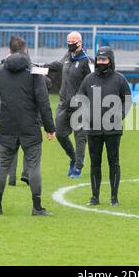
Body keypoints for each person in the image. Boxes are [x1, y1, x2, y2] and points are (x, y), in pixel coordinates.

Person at [0, 46, 56, 216]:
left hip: (7, 127)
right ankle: (37, 207)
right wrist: (50, 128)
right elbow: (43, 103)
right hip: (30, 127)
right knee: (33, 167)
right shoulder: (35, 73)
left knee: (2, 166)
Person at [76, 46, 131, 206]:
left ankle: (114, 198)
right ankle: (95, 197)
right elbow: (81, 98)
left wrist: (119, 115)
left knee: (114, 162)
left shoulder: (120, 79)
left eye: (104, 60)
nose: (101, 62)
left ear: (110, 61)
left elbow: (127, 100)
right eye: (99, 59)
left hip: (113, 129)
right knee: (95, 163)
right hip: (93, 129)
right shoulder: (88, 79)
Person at [0, 37, 53, 187]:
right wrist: (50, 127)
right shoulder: (31, 66)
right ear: (25, 49)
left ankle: (11, 178)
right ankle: (27, 176)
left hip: (8, 115)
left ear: (9, 50)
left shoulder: (2, 65)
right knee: (32, 152)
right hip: (29, 115)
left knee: (9, 149)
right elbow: (46, 86)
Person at [45, 31, 92, 178]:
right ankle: (73, 157)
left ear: (80, 42)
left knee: (80, 137)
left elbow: (92, 83)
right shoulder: (66, 56)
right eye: (68, 41)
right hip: (63, 103)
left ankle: (78, 166)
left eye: (73, 41)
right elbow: (56, 66)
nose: (70, 44)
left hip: (80, 105)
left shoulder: (86, 61)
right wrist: (40, 67)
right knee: (60, 133)